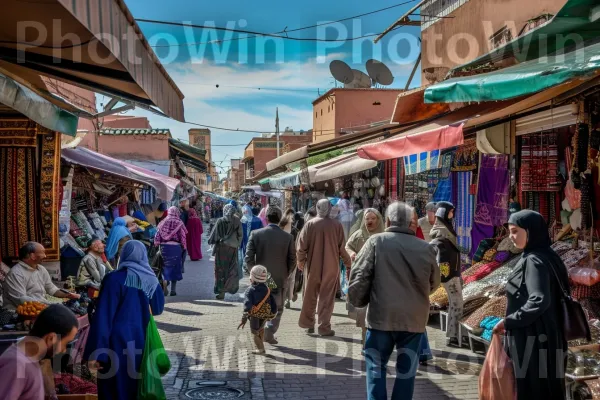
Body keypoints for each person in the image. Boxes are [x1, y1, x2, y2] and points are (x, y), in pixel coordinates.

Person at [348, 202, 440, 400]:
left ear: (387, 221)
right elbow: (434, 283)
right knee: (407, 373)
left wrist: (359, 301)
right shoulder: (426, 248)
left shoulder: (376, 242)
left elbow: (359, 276)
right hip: (414, 320)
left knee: (375, 367)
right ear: (412, 223)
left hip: (381, 316)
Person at [492, 210, 569, 400]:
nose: (511, 236)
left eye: (515, 231)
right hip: (547, 335)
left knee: (533, 388)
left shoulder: (534, 261)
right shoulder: (547, 256)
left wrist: (508, 321)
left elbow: (539, 300)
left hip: (532, 339)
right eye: (510, 231)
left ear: (531, 231)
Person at [84, 240, 165, 400]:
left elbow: (104, 317)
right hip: (142, 339)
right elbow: (157, 308)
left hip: (116, 341)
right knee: (139, 384)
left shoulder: (113, 279)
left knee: (115, 386)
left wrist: (98, 353)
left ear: (124, 255)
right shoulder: (151, 279)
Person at [0, 304, 79, 400]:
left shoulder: (32, 358)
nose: (64, 350)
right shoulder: (16, 364)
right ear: (51, 338)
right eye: (65, 343)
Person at [297, 199, 351, 337]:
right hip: (331, 267)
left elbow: (301, 247)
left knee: (309, 295)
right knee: (327, 298)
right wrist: (348, 262)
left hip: (312, 266)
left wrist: (300, 261)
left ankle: (308, 324)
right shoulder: (336, 225)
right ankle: (324, 327)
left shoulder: (309, 224)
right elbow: (342, 248)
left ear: (317, 208)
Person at [245, 206, 296, 344]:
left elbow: (248, 259)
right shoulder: (288, 237)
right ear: (280, 219)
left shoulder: (256, 234)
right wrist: (286, 273)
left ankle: (260, 332)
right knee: (278, 309)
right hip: (279, 280)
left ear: (266, 219)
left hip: (260, 280)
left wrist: (254, 274)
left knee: (259, 307)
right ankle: (269, 332)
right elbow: (293, 260)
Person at [345, 208, 384, 343]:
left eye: (373, 219)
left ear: (378, 220)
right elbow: (347, 246)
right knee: (363, 311)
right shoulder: (359, 234)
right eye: (367, 219)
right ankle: (364, 339)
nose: (370, 221)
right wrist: (351, 254)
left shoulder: (384, 235)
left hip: (380, 279)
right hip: (362, 279)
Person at [3, 242, 80, 310]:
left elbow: (51, 289)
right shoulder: (16, 273)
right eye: (43, 253)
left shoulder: (41, 269)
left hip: (41, 308)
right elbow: (21, 300)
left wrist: (68, 295)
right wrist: (48, 305)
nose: (45, 256)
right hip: (17, 312)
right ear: (32, 256)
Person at [429, 201, 463, 347]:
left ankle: (453, 334)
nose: (452, 214)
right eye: (450, 212)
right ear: (444, 213)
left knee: (455, 304)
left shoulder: (444, 229)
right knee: (457, 304)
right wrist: (445, 276)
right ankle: (454, 336)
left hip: (451, 275)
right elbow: (441, 256)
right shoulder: (443, 233)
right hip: (450, 277)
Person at [239, 265, 278, 355]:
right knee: (261, 329)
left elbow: (247, 306)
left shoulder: (250, 290)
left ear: (252, 278)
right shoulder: (267, 289)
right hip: (265, 314)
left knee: (254, 332)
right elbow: (273, 302)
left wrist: (244, 318)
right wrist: (273, 312)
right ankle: (261, 347)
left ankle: (261, 349)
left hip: (255, 315)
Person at [209, 203, 243, 300]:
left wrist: (212, 242)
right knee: (231, 269)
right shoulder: (237, 221)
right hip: (232, 249)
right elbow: (240, 235)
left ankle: (221, 291)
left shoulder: (220, 221)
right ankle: (229, 288)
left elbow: (215, 235)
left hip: (221, 249)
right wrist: (237, 244)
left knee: (220, 270)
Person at [154, 206, 188, 296]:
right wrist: (184, 247)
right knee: (175, 267)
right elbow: (183, 236)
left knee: (165, 266)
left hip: (164, 248)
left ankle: (165, 281)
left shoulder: (163, 222)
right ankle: (173, 289)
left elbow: (157, 236)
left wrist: (157, 244)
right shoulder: (179, 222)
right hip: (176, 248)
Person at [279, 209, 300, 309]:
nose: (291, 218)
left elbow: (298, 245)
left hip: (292, 258)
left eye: (292, 216)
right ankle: (281, 297)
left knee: (291, 279)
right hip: (281, 257)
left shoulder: (295, 231)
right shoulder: (279, 229)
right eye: (289, 215)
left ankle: (289, 298)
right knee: (282, 278)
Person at [240, 205, 264, 275]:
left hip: (254, 241)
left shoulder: (257, 220)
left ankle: (252, 270)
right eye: (244, 211)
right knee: (247, 255)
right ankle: (249, 269)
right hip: (246, 241)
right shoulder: (242, 220)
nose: (245, 212)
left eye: (246, 211)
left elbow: (261, 231)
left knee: (252, 255)